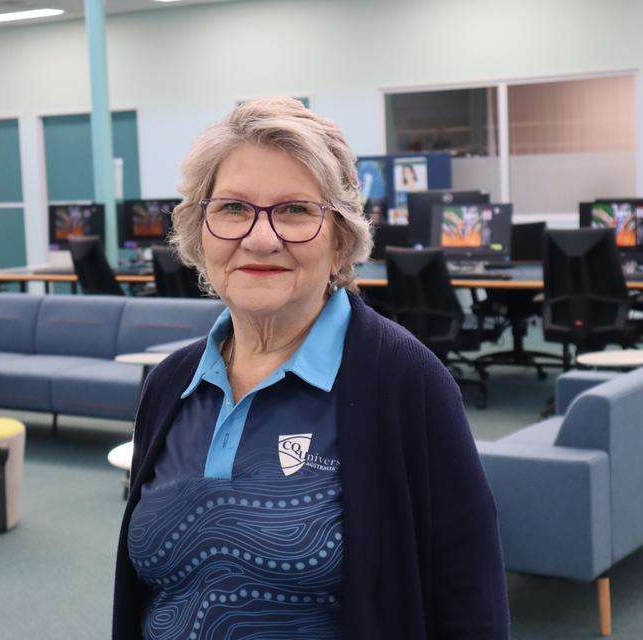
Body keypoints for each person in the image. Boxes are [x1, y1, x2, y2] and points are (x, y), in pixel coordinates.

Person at [112, 97, 509, 639]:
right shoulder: (171, 384)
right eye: (232, 208)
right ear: (198, 230)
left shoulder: (404, 381)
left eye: (294, 210)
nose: (259, 238)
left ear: (341, 236)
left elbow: (471, 603)